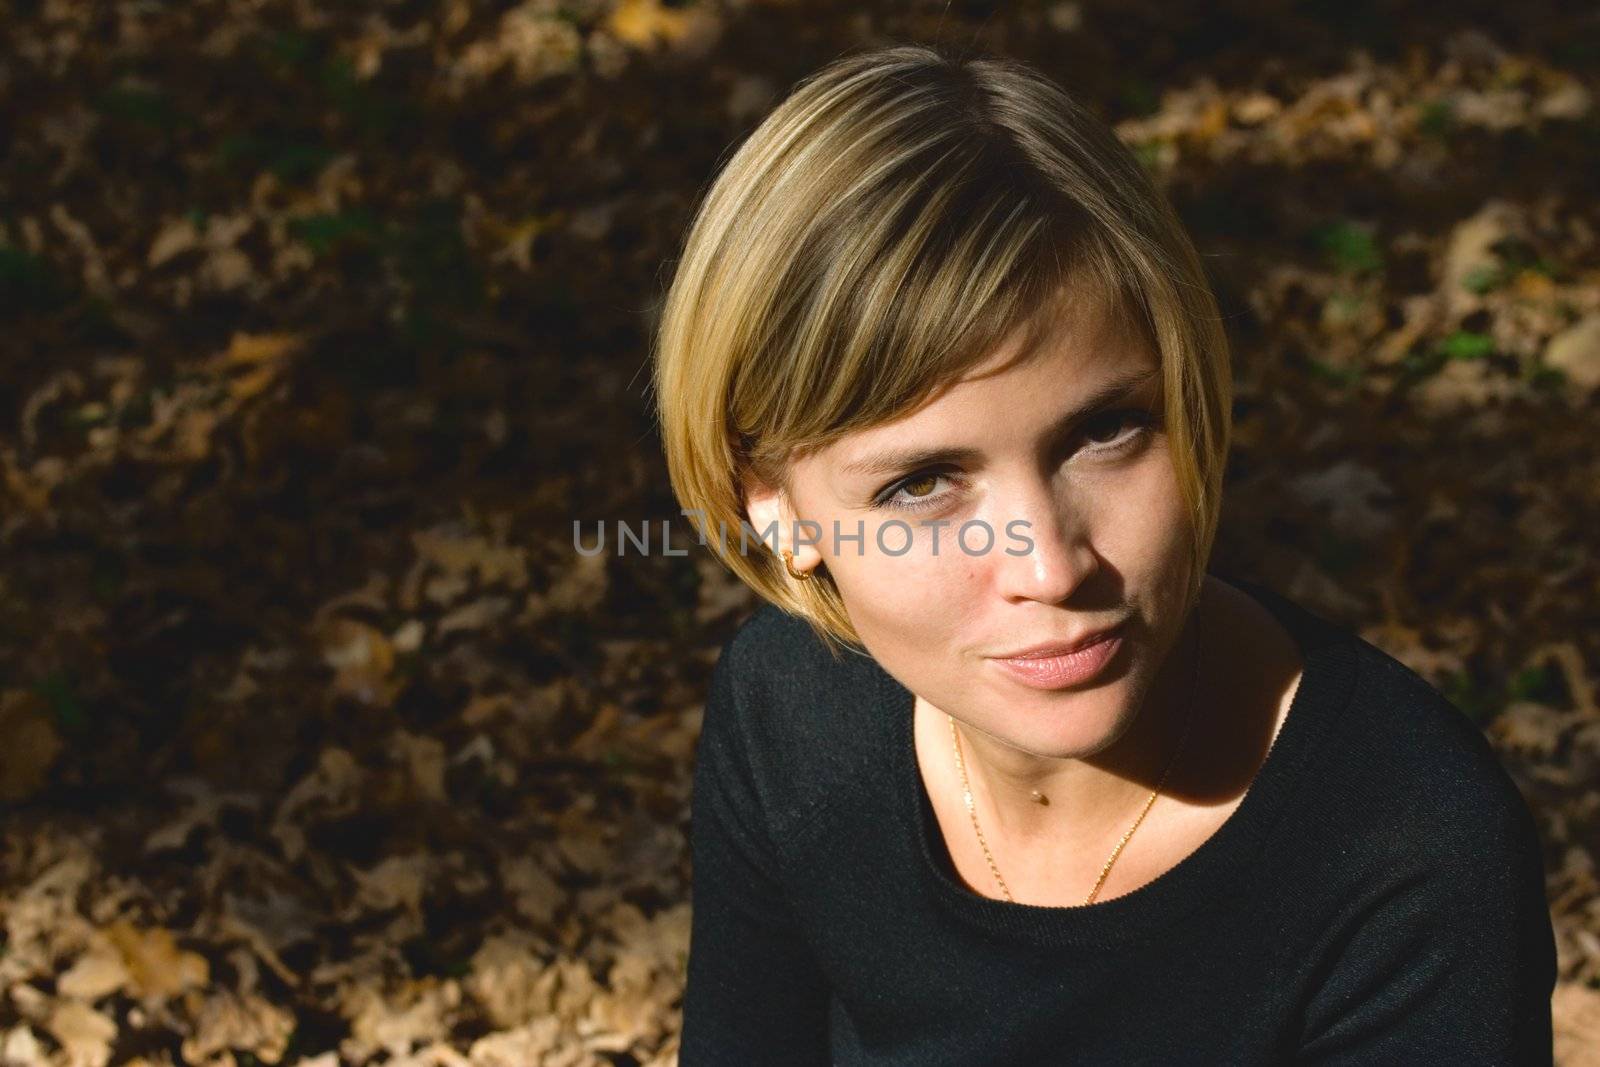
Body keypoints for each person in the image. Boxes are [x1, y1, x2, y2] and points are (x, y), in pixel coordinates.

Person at [651, 41, 1557, 1065]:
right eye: (920, 482)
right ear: (769, 504)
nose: (1049, 564)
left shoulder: (1406, 844)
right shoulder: (792, 717)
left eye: (1105, 431)